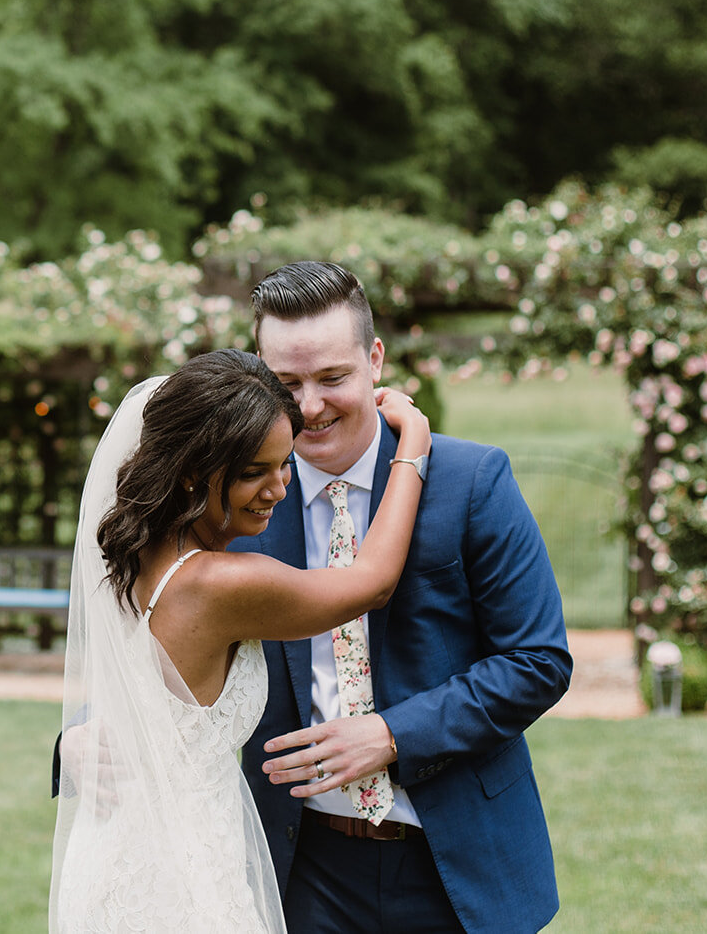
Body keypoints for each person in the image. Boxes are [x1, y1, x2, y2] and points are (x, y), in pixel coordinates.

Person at [238, 262, 572, 934]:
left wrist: (392, 733)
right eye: (287, 383)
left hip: (453, 865)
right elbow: (169, 624)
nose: (309, 406)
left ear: (375, 358)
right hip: (300, 867)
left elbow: (538, 660)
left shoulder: (473, 480)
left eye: (333, 377)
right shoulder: (236, 502)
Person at [50, 348, 432, 933]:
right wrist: (413, 446)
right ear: (190, 472)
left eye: (284, 464)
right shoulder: (219, 584)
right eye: (254, 471)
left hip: (132, 848)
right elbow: (370, 584)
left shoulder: (138, 546)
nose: (279, 489)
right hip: (174, 876)